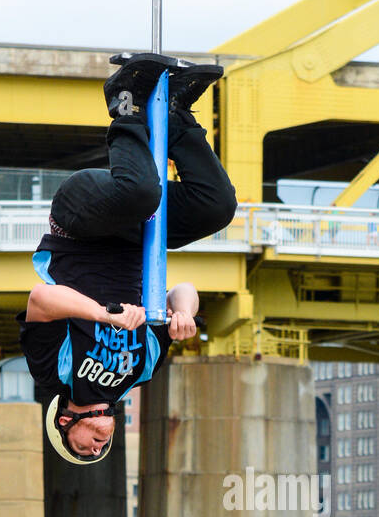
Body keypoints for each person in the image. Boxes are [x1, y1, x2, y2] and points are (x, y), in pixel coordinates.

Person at [19, 51, 238, 464]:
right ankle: (176, 117)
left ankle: (125, 100)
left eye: (85, 445)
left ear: (64, 422)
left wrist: (105, 316)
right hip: (137, 235)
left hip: (78, 223)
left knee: (140, 192)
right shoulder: (141, 371)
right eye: (101, 449)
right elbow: (181, 291)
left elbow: (41, 300)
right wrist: (184, 314)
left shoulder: (54, 374)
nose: (99, 444)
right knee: (216, 207)